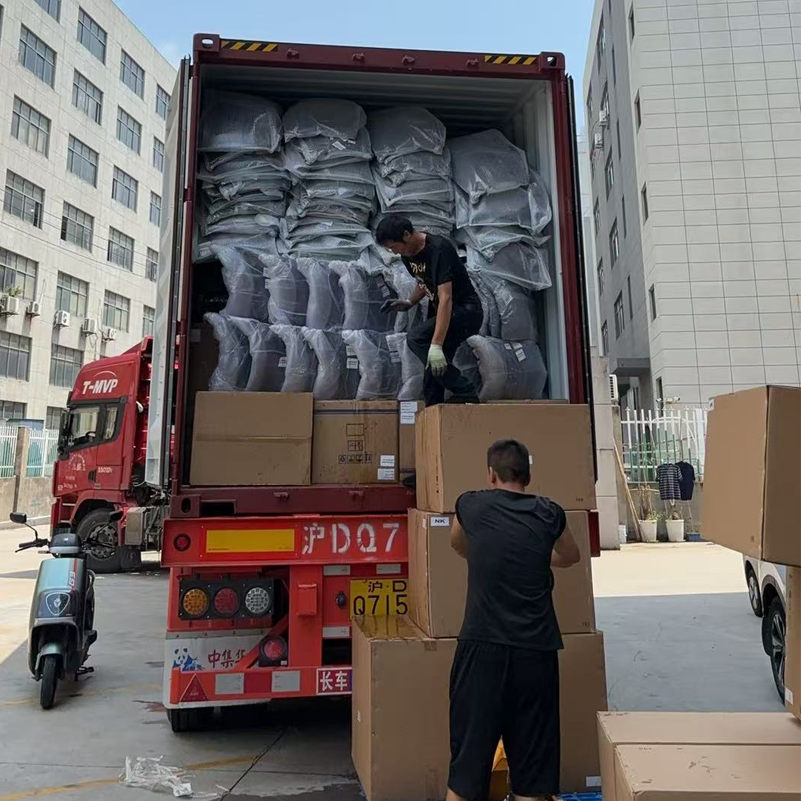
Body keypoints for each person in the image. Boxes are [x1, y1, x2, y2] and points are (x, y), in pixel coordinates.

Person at [447, 439, 581, 801]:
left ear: (491, 474)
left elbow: (457, 542)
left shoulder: (470, 505)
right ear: (528, 475)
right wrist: (536, 555)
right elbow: (571, 556)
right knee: (532, 777)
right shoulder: (550, 513)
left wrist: (486, 554)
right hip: (535, 653)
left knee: (465, 773)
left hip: (481, 651)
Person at [375, 214, 483, 406]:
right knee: (432, 380)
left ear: (406, 235)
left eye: (394, 246)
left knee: (416, 337)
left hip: (466, 312)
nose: (394, 252)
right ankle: (440, 411)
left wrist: (436, 344)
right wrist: (408, 302)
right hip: (446, 313)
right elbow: (424, 282)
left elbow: (446, 298)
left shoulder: (439, 249)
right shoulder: (408, 255)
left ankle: (465, 389)